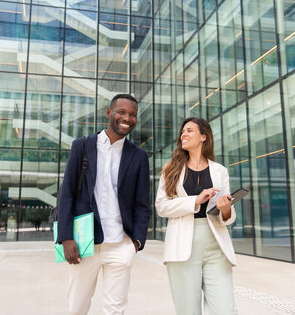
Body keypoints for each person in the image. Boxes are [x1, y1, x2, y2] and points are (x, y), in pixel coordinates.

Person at [56, 94, 151, 315]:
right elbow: (67, 194)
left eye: (132, 114)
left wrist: (135, 242)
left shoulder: (138, 156)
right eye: (121, 112)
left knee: (115, 310)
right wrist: (66, 237)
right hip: (84, 243)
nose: (127, 118)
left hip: (120, 243)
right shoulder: (83, 146)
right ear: (109, 113)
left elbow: (142, 204)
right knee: (76, 307)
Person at [155, 117, 237, 315]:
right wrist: (195, 200)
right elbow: (162, 207)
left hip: (215, 244)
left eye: (190, 130)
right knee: (187, 310)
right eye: (183, 131)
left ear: (203, 137)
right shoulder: (170, 169)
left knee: (225, 309)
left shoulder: (220, 171)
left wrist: (226, 208)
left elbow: (227, 216)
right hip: (183, 246)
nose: (184, 134)